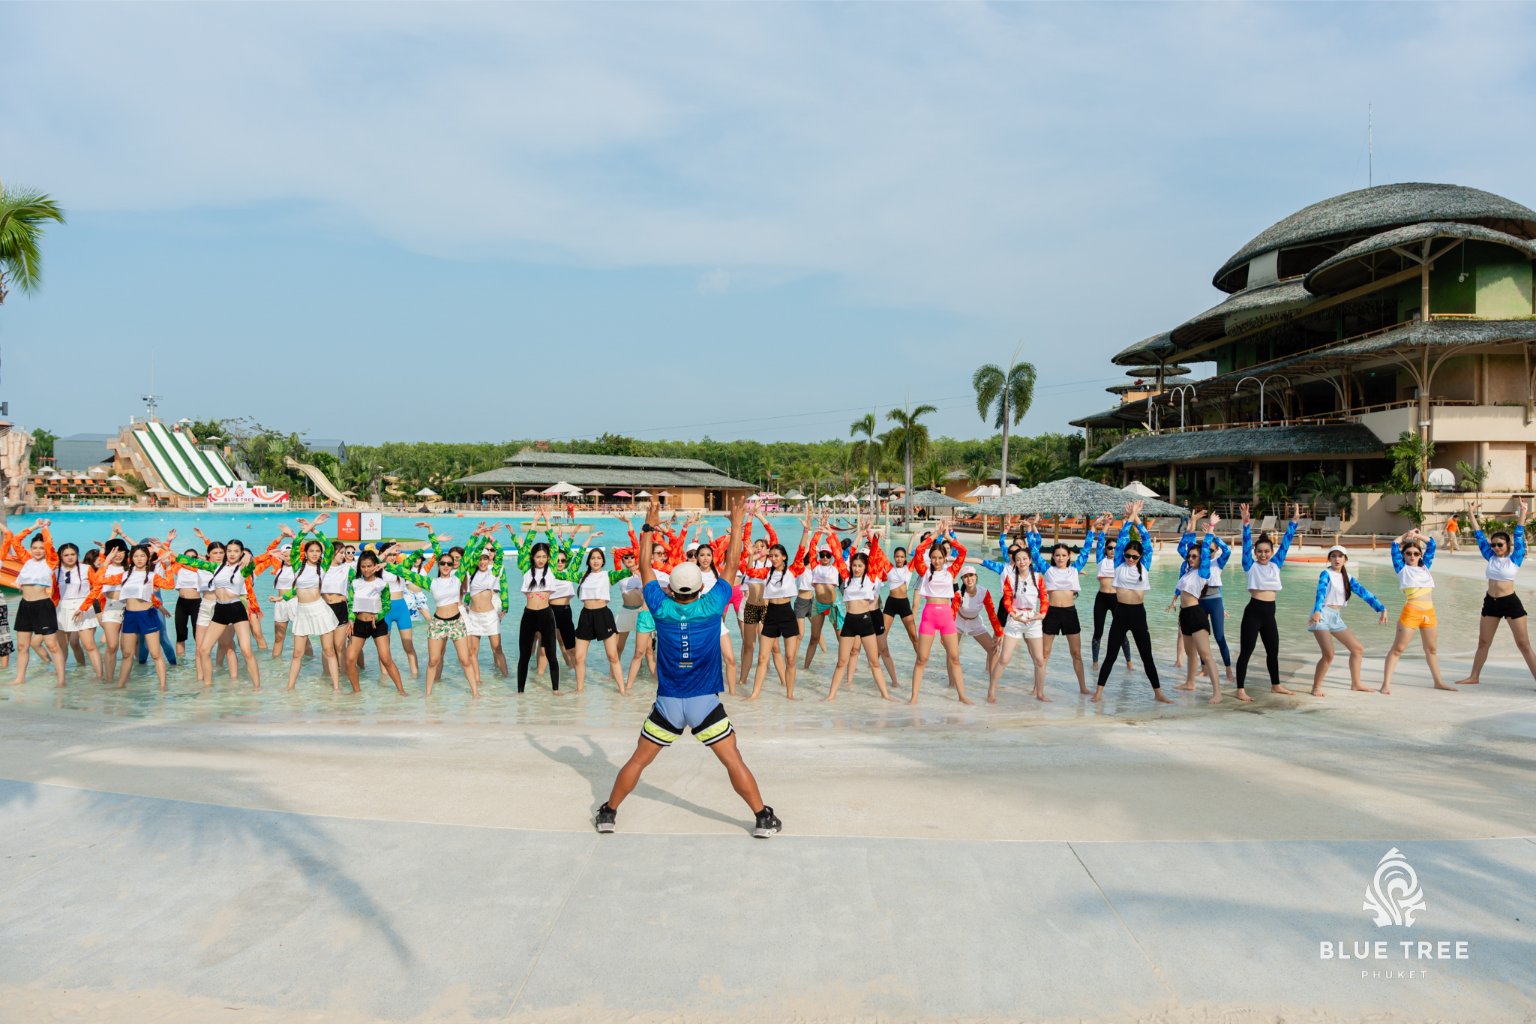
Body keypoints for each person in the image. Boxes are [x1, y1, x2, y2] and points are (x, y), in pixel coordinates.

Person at [594, 495, 779, 839]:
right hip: (704, 703)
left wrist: (649, 526)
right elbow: (732, 562)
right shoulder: (712, 605)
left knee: (638, 761)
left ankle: (608, 813)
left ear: (671, 588)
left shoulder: (660, 607)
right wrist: (737, 523)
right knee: (733, 760)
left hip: (668, 704)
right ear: (699, 587)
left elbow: (645, 566)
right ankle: (762, 818)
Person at [1094, 501, 1169, 704]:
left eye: (1134, 557)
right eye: (1127, 555)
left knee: (1146, 656)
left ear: (1140, 557)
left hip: (1138, 614)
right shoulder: (1119, 563)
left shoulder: (1145, 565)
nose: (1130, 559)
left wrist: (1136, 518)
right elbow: (1122, 538)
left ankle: (1158, 693)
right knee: (1110, 655)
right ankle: (1098, 693)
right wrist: (1129, 519)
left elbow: (1146, 540)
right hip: (1120, 613)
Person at [1454, 500, 1536, 686]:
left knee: (1523, 644)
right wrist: (1470, 513)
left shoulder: (1515, 559)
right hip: (1491, 602)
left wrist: (1523, 511)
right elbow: (1478, 534)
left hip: (1510, 603)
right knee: (1483, 642)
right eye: (1493, 545)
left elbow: (1519, 532)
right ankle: (1474, 677)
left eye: (1500, 544)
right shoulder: (1490, 556)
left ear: (1507, 545)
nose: (1496, 548)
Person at [1233, 503, 1299, 700]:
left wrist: (1294, 522)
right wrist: (1246, 523)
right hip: (1253, 612)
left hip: (1270, 614)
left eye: (1266, 551)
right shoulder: (1249, 565)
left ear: (1271, 552)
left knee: (1273, 651)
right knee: (1246, 652)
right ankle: (1240, 689)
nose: (1263, 554)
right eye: (1260, 551)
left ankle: (1275, 685)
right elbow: (1246, 544)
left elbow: (1286, 542)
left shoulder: (1276, 564)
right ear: (1255, 552)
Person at [907, 519, 973, 705]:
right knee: (922, 659)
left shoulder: (951, 572)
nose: (936, 561)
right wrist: (934, 536)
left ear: (945, 558)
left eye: (940, 558)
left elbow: (963, 552)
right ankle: (914, 698)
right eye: (934, 557)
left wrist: (948, 537)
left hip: (946, 617)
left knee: (955, 658)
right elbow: (918, 551)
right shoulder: (924, 572)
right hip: (929, 616)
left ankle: (962, 696)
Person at [824, 530, 895, 701]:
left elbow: (875, 556)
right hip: (849, 622)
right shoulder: (846, 578)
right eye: (854, 565)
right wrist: (830, 534)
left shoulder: (870, 578)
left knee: (874, 662)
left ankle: (886, 695)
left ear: (865, 567)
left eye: (860, 566)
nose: (856, 569)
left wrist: (874, 538)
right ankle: (831, 696)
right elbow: (838, 556)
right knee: (841, 662)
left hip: (865, 622)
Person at [1308, 544, 1387, 696]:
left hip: (1336, 616)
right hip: (1322, 614)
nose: (1337, 559)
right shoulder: (1326, 573)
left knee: (1357, 649)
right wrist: (1317, 611)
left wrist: (1381, 608)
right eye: (1333, 556)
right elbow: (1321, 592)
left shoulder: (1348, 578)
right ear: (1329, 559)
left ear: (1345, 559)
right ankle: (1316, 687)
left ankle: (1356, 683)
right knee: (1329, 654)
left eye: (1340, 556)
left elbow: (1364, 593)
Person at [1381, 529, 1452, 694]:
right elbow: (1394, 545)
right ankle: (1386, 684)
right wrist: (1407, 535)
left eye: (1415, 553)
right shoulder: (1402, 568)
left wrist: (1417, 535)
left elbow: (1432, 544)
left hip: (1429, 613)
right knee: (1398, 649)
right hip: (1411, 613)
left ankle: (1438, 682)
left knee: (1432, 649)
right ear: (1403, 556)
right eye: (1408, 553)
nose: (1412, 556)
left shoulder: (1425, 567)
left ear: (1420, 555)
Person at [1164, 514, 1224, 704]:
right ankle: (1190, 683)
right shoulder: (1188, 571)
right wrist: (1192, 522)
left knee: (1205, 654)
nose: (1190, 558)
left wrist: (1211, 528)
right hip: (1185, 614)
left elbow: (1205, 551)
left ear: (1201, 559)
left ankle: (1217, 692)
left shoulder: (1203, 572)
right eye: (1189, 556)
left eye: (1194, 556)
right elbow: (1186, 544)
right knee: (1190, 653)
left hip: (1196, 614)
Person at [6, 520, 67, 688]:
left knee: (52, 646)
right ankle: (20, 679)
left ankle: (61, 681)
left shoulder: (51, 561)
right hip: (25, 606)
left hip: (43, 606)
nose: (38, 551)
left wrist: (45, 528)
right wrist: (33, 527)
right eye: (35, 548)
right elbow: (15, 541)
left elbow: (49, 543)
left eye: (41, 548)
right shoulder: (26, 560)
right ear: (31, 549)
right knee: (22, 646)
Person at [985, 542, 1047, 702]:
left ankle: (1040, 693)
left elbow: (1044, 598)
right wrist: (1013, 615)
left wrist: (1042, 614)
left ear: (1030, 560)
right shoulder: (1010, 578)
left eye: (1024, 558)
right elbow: (1006, 600)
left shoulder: (1038, 578)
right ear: (1015, 561)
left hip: (1033, 619)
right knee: (1004, 658)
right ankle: (991, 690)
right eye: (1018, 559)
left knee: (1039, 660)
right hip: (1015, 618)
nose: (1021, 562)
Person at [1089, 522, 1134, 675]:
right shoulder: (1100, 560)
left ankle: (1129, 661)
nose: (1113, 550)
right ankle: (1095, 663)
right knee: (1098, 631)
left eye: (1115, 548)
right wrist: (1106, 525)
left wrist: (1127, 522)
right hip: (1101, 599)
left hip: (1117, 599)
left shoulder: (1120, 562)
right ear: (1105, 550)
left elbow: (1125, 543)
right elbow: (1100, 540)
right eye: (1110, 548)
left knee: (1121, 632)